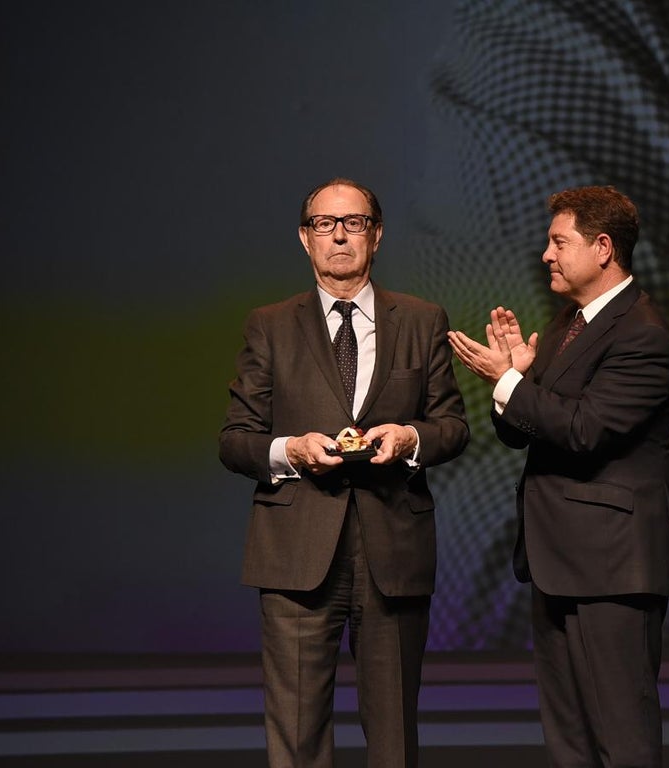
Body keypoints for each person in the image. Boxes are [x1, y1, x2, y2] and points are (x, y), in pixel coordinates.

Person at [219, 177, 469, 767]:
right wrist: (292, 451)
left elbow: (453, 427)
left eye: (353, 223)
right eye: (325, 224)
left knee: (393, 737)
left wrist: (410, 437)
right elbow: (236, 441)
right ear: (305, 239)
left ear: (375, 236)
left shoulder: (422, 319)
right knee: (297, 732)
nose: (339, 235)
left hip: (393, 550)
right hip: (297, 551)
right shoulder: (270, 325)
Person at [448, 185, 669, 767]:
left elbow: (585, 432)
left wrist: (507, 383)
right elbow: (524, 433)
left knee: (622, 737)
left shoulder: (643, 335)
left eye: (560, 242)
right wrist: (517, 383)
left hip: (611, 566)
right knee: (569, 739)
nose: (546, 255)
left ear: (603, 248)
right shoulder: (565, 326)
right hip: (557, 559)